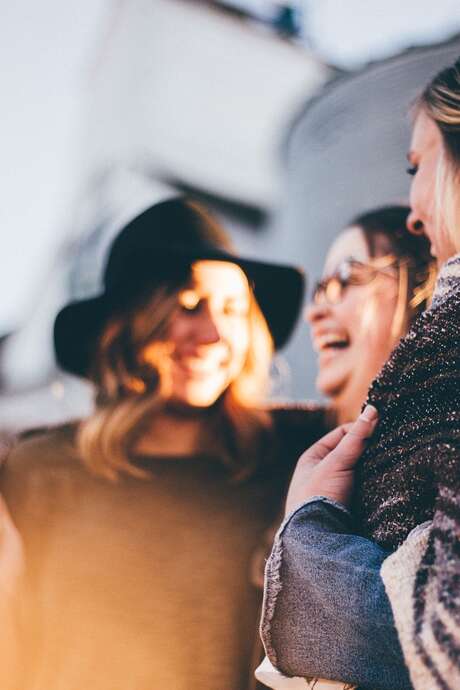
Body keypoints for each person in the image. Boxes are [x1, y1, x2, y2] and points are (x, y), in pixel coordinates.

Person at [0, 197, 329, 690]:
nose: (214, 334)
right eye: (189, 306)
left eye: (233, 309)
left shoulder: (294, 455)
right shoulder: (37, 470)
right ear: (133, 323)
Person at [258, 58, 460, 690]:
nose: (318, 306)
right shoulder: (287, 448)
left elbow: (435, 636)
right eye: (318, 286)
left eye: (345, 280)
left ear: (415, 291)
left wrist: (310, 530)